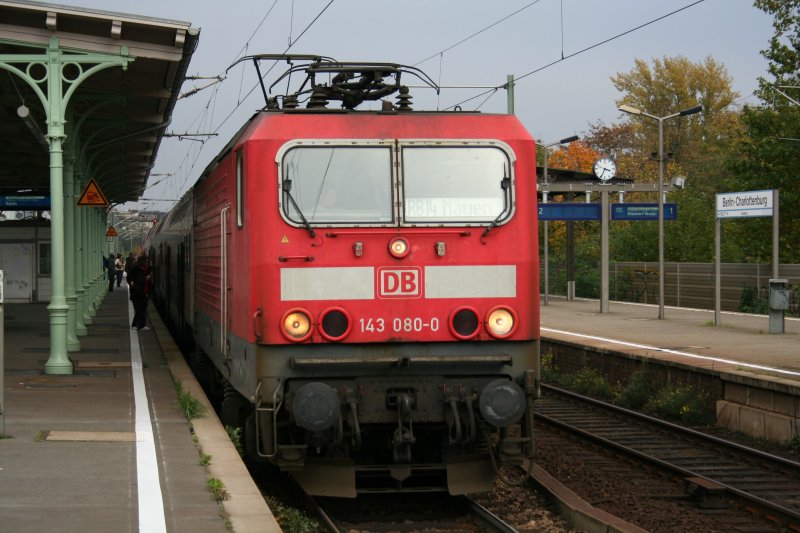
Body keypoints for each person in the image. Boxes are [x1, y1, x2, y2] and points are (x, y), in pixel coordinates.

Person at [127, 255, 152, 330]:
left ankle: (142, 325)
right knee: (138, 309)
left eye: (147, 261)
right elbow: (129, 276)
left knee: (144, 309)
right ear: (142, 261)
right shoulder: (136, 268)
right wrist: (131, 282)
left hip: (145, 292)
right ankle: (135, 324)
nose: (147, 262)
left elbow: (149, 278)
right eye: (145, 261)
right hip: (136, 292)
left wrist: (149, 277)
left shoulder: (148, 269)